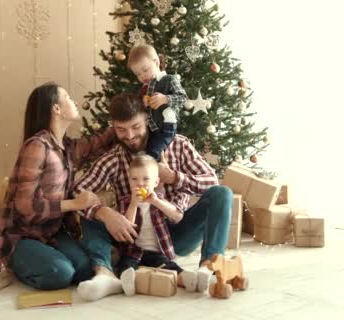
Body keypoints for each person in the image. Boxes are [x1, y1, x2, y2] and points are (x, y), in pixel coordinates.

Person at [74, 94, 233, 301]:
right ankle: (104, 274)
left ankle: (207, 269)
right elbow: (78, 191)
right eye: (121, 129)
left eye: (136, 127)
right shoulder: (113, 159)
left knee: (222, 194)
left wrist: (175, 178)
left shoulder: (178, 145)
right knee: (90, 210)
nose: (129, 136)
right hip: (135, 239)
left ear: (147, 120)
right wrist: (103, 212)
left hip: (176, 233)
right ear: (113, 127)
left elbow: (211, 181)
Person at [0, 82, 116, 290]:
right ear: (56, 109)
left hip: (50, 234)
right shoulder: (37, 146)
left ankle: (45, 258)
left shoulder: (67, 147)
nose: (73, 101)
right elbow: (25, 206)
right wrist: (74, 203)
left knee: (85, 271)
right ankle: (16, 264)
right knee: (60, 273)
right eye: (67, 97)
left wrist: (131, 117)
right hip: (21, 235)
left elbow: (101, 143)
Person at [117, 154, 205, 296]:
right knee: (125, 266)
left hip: (156, 252)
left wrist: (156, 202)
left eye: (146, 179)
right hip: (132, 251)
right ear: (129, 181)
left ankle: (186, 279)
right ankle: (128, 281)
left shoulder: (159, 200)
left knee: (169, 266)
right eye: (134, 179)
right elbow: (127, 226)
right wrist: (133, 204)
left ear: (156, 182)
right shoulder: (126, 201)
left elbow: (177, 216)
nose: (140, 183)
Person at [127, 44, 187, 162]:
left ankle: (149, 174)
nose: (142, 76)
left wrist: (165, 99)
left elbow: (182, 98)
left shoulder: (169, 80)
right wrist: (141, 104)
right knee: (138, 151)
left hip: (165, 128)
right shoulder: (144, 89)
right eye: (138, 74)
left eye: (145, 70)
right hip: (149, 128)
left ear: (156, 62)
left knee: (152, 153)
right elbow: (138, 111)